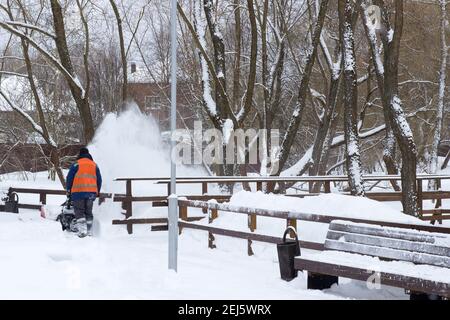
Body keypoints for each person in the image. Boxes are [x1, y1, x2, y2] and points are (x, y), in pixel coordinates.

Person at [66, 147, 102, 237]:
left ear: (80, 154)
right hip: (91, 194)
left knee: (79, 211)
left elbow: (69, 178)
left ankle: (82, 231)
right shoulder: (95, 165)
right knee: (88, 212)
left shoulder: (76, 164)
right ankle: (89, 231)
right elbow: (99, 180)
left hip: (78, 192)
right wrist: (97, 191)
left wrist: (68, 190)